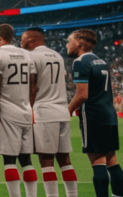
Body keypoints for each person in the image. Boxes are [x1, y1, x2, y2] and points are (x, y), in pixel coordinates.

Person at [67, 29, 123, 197]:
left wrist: (67, 111)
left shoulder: (80, 62)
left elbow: (82, 94)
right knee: (112, 160)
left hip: (93, 116)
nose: (67, 45)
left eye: (69, 41)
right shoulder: (101, 61)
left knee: (97, 161)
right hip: (109, 115)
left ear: (80, 42)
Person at [22, 27, 78, 197]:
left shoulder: (31, 57)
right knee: (65, 160)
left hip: (44, 112)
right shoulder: (58, 56)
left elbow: (33, 87)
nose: (21, 43)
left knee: (46, 160)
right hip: (62, 110)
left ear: (32, 40)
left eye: (23, 39)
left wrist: (26, 109)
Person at [0, 24, 37, 197]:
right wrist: (29, 107)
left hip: (8, 113)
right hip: (25, 111)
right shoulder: (27, 56)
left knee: (9, 160)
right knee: (27, 159)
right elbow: (33, 87)